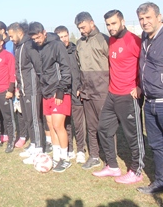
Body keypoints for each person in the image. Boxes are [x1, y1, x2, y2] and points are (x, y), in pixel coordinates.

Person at [93, 10, 145, 184]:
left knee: (133, 136)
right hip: (112, 94)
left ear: (122, 21)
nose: (110, 27)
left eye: (114, 23)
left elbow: (145, 65)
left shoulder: (134, 41)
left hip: (128, 96)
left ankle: (137, 171)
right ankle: (113, 166)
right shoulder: (112, 41)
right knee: (103, 128)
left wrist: (140, 86)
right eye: (108, 24)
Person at [28, 22, 72, 172]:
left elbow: (66, 68)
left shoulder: (56, 45)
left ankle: (65, 158)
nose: (37, 41)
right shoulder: (35, 47)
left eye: (38, 37)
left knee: (58, 125)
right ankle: (57, 155)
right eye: (34, 39)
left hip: (59, 91)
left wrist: (61, 90)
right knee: (50, 124)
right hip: (46, 92)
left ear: (44, 32)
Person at [74, 11, 109, 170]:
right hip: (87, 92)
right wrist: (81, 88)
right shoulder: (80, 44)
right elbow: (79, 67)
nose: (81, 31)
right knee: (91, 126)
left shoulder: (104, 40)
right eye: (79, 28)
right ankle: (94, 155)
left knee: (106, 126)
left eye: (83, 27)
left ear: (92, 23)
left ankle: (110, 158)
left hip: (103, 91)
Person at [136, 2, 163, 194]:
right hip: (149, 102)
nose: (145, 22)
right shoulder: (145, 38)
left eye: (148, 18)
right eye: (141, 19)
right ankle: (160, 181)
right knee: (156, 145)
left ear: (159, 17)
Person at [7, 22, 44, 164]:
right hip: (23, 90)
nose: (10, 39)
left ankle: (39, 149)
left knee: (35, 119)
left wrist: (37, 84)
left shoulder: (29, 45)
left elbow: (37, 66)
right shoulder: (19, 46)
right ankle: (33, 145)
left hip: (33, 89)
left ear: (19, 32)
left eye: (11, 36)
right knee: (28, 118)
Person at [54, 25, 86, 164]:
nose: (64, 39)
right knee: (66, 124)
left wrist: (81, 86)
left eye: (65, 36)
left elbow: (83, 69)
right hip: (64, 93)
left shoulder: (76, 50)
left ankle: (81, 150)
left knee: (79, 123)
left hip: (77, 91)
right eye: (60, 37)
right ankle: (69, 149)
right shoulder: (55, 53)